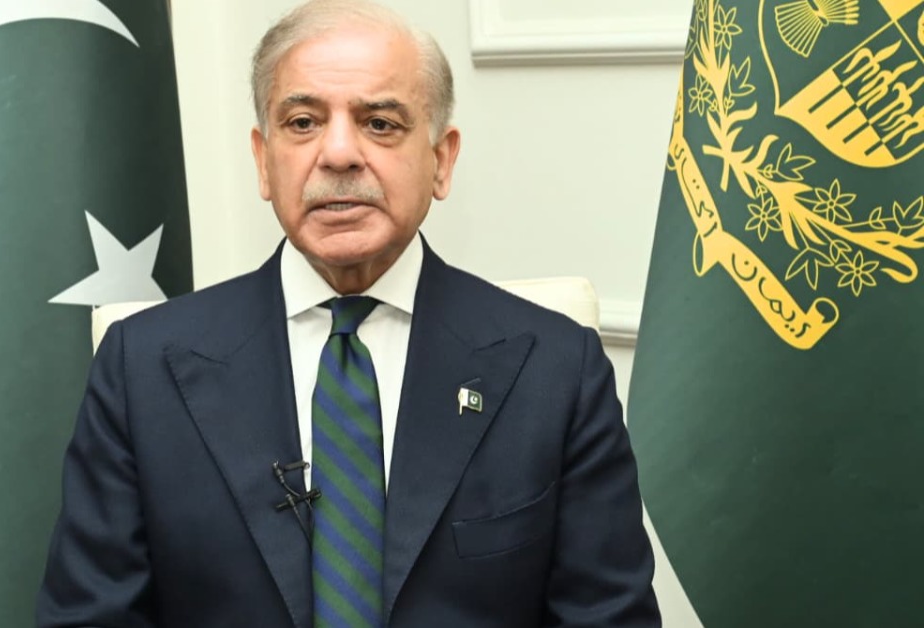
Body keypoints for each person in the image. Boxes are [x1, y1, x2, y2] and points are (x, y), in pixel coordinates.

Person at [36, 1, 660, 626]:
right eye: (303, 122)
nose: (338, 154)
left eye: (380, 123)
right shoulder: (140, 369)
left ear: (442, 160)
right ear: (263, 160)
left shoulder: (557, 372)